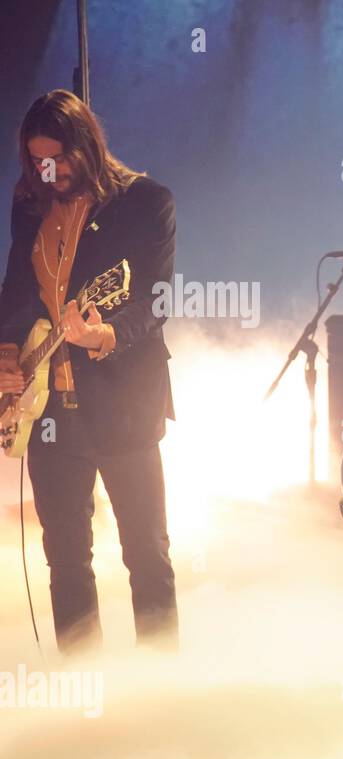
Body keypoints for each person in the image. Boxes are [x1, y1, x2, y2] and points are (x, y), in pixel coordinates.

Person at [0, 90, 178, 654]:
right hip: (50, 413)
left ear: (88, 146)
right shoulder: (29, 204)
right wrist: (7, 359)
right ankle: (85, 693)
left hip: (124, 406)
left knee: (146, 556)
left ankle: (161, 694)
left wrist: (101, 334)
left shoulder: (146, 202)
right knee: (67, 561)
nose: (51, 173)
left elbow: (153, 300)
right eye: (38, 162)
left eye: (60, 159)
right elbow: (17, 294)